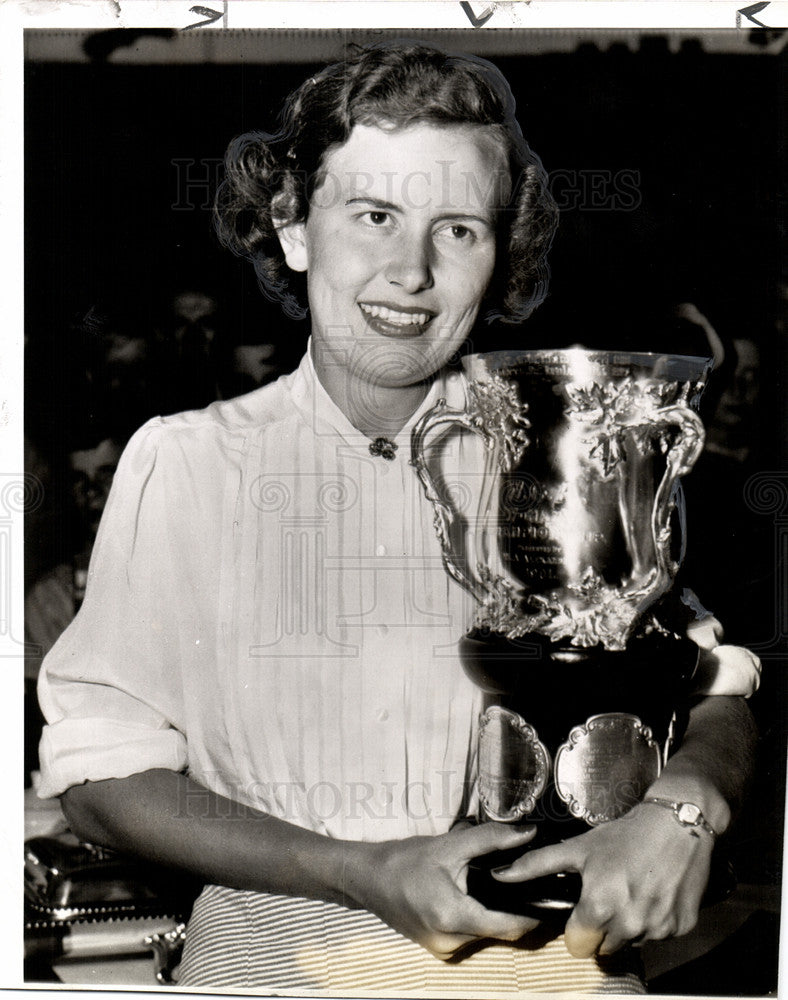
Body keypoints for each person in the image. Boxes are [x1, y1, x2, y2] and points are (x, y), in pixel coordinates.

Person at [37, 43, 760, 994]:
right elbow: (101, 774)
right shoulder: (189, 462)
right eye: (374, 215)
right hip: (273, 973)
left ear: (501, 256)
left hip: (559, 980)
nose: (411, 271)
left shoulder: (560, 443)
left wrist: (686, 802)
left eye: (458, 228)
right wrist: (364, 872)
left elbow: (714, 688)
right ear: (296, 229)